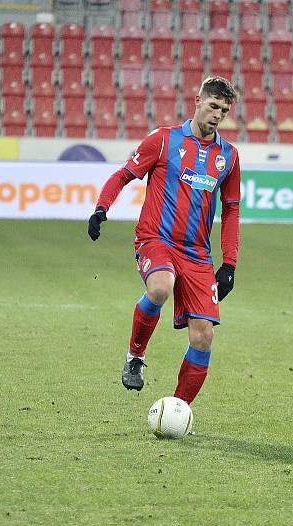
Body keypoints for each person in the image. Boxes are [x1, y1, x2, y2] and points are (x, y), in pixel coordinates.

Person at [87, 76, 241, 407]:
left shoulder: (228, 156)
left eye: (224, 110)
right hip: (156, 238)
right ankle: (135, 356)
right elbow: (122, 176)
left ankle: (177, 410)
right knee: (159, 287)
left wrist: (229, 263)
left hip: (197, 253)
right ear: (197, 100)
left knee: (204, 337)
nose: (217, 114)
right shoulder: (163, 140)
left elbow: (231, 211)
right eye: (213, 106)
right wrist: (101, 208)